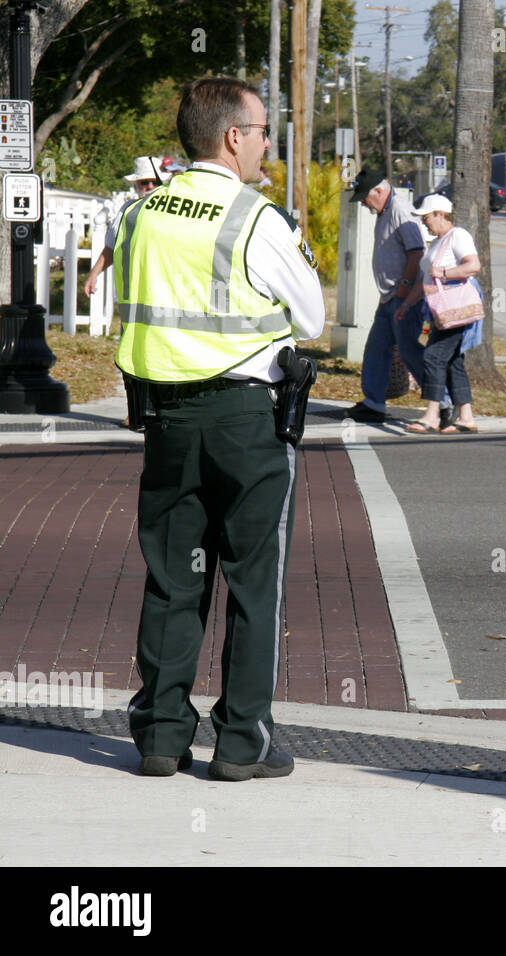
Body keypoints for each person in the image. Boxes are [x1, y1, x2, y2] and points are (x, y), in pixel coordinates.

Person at [115, 77, 324, 780]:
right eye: (264, 130)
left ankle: (160, 737)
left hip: (165, 418)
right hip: (242, 419)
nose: (268, 141)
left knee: (174, 577)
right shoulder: (254, 218)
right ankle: (241, 743)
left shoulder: (140, 213)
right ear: (234, 137)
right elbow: (315, 318)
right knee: (252, 580)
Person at [342, 169, 428, 424]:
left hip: (403, 296)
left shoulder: (400, 210)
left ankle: (442, 401)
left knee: (409, 350)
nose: (364, 204)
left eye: (365, 198)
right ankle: (373, 404)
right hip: (389, 297)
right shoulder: (384, 210)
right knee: (377, 349)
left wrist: (404, 287)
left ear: (379, 191)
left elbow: (417, 253)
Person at [398, 193, 483, 435]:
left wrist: (444, 273)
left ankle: (432, 415)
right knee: (453, 361)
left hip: (455, 309)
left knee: (433, 357)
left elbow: (473, 266)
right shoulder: (436, 242)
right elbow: (424, 281)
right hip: (442, 312)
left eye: (427, 217)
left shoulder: (458, 236)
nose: (424, 221)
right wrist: (407, 304)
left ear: (441, 214)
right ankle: (466, 417)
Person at [83, 156, 168, 296]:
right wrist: (93, 274)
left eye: (155, 182)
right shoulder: (127, 210)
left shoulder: (172, 210)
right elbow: (112, 247)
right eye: (144, 182)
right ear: (135, 186)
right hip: (136, 289)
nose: (150, 187)